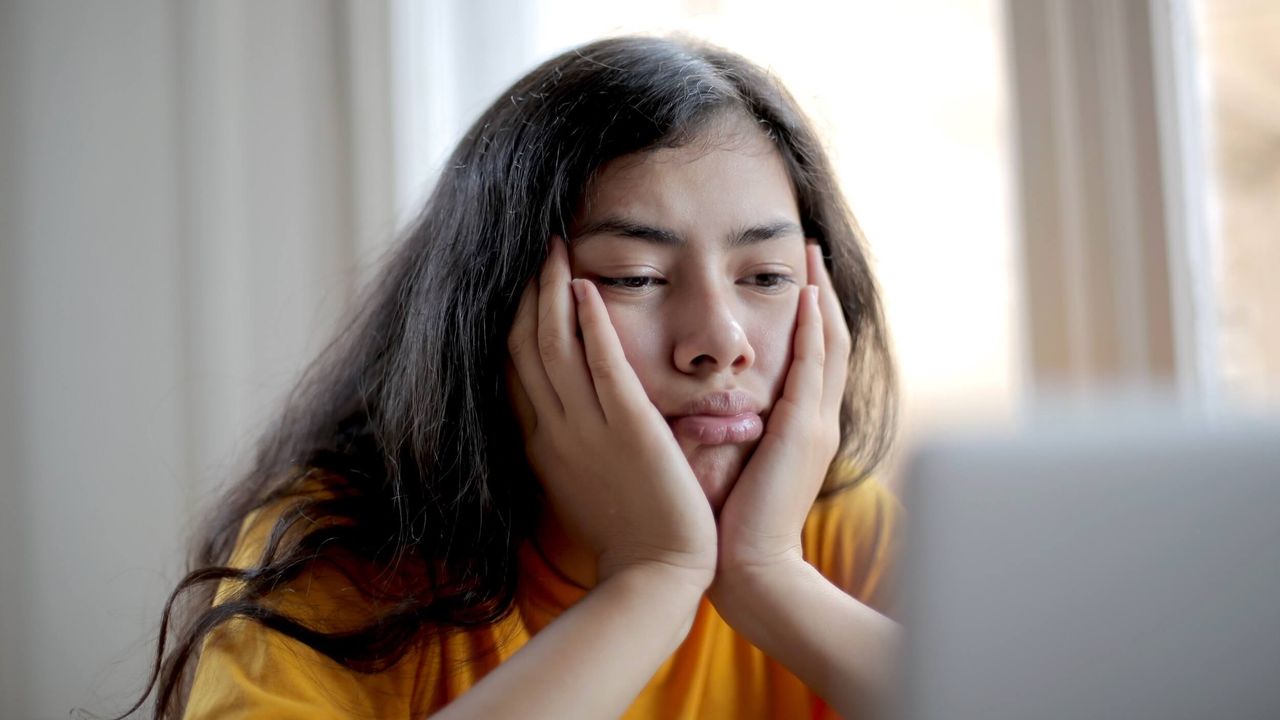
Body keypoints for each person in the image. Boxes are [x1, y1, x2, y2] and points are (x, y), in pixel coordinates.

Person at [123, 34, 901, 719]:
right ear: (495, 314)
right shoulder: (344, 555)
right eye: (633, 276)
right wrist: (653, 578)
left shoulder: (829, 528)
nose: (721, 342)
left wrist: (770, 574)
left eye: (764, 276)